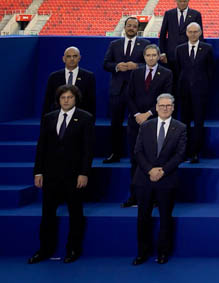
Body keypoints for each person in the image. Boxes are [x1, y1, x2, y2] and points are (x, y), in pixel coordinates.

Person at [29, 84, 94, 265]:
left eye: (69, 97)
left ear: (75, 99)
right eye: (63, 98)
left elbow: (88, 149)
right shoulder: (48, 118)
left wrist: (84, 173)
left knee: (75, 213)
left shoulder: (85, 118)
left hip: (74, 175)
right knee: (47, 214)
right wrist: (38, 171)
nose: (66, 101)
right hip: (50, 175)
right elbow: (41, 146)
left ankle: (73, 249)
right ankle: (44, 249)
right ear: (58, 100)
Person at [131, 93, 185, 265]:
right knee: (142, 217)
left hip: (167, 179)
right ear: (156, 107)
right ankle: (142, 253)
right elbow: (138, 151)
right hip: (144, 178)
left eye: (168, 106)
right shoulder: (146, 126)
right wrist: (150, 170)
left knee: (165, 218)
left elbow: (180, 155)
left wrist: (163, 171)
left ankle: (163, 253)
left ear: (173, 108)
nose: (165, 108)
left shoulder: (180, 128)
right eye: (162, 106)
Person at [123, 45, 173, 208]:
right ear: (144, 57)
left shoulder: (166, 73)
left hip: (156, 122)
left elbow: (167, 97)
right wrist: (137, 114)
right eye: (148, 55)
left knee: (156, 160)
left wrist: (148, 114)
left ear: (158, 56)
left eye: (154, 55)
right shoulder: (136, 73)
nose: (151, 58)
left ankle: (155, 198)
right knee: (135, 160)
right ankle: (135, 196)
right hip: (135, 122)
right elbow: (129, 96)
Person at [101, 17, 148, 162]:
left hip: (137, 91)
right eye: (129, 25)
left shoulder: (145, 44)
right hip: (118, 90)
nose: (131, 28)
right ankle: (115, 153)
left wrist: (137, 66)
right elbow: (105, 64)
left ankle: (140, 155)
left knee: (139, 123)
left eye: (134, 26)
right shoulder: (114, 44)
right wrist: (116, 66)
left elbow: (150, 64)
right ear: (125, 26)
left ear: (138, 29)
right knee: (115, 123)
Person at [173, 23, 215, 163]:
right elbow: (178, 70)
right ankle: (183, 152)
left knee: (198, 123)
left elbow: (210, 71)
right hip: (184, 92)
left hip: (200, 92)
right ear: (186, 33)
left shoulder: (207, 48)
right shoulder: (179, 49)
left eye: (195, 31)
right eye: (190, 32)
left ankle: (195, 152)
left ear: (200, 32)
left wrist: (205, 87)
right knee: (184, 122)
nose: (192, 34)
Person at [42, 46, 96, 116]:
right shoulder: (54, 77)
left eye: (75, 56)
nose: (72, 59)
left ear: (79, 58)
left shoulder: (88, 77)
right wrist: (44, 121)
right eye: (68, 56)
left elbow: (91, 102)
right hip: (58, 117)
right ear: (64, 59)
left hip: (81, 117)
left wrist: (91, 121)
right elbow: (48, 102)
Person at [158, 0, 201, 66]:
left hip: (189, 54)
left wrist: (198, 53)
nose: (182, 3)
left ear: (189, 0)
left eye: (185, 1)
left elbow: (200, 35)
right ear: (176, 0)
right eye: (180, 1)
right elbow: (162, 34)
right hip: (171, 55)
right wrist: (162, 52)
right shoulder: (169, 14)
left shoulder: (196, 14)